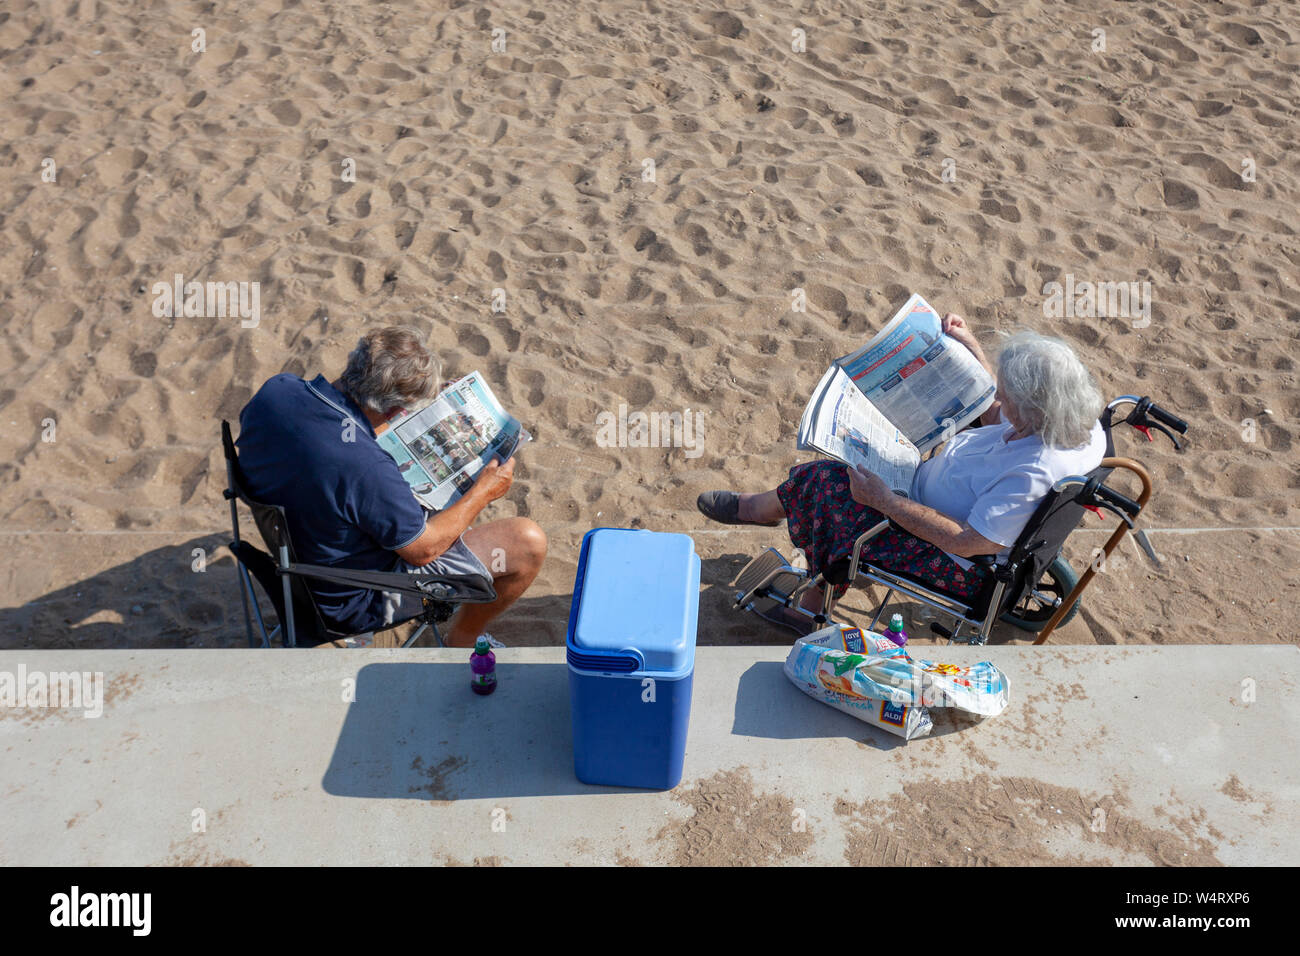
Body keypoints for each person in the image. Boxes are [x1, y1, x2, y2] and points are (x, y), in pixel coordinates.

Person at [697, 317, 1106, 631]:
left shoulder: (1031, 472)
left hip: (951, 560)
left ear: (1037, 411)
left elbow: (967, 542)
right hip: (928, 496)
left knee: (831, 488)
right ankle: (770, 510)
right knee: (843, 473)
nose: (998, 396)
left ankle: (810, 598)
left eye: (1010, 395)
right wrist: (973, 349)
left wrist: (886, 503)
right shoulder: (1077, 428)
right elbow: (997, 413)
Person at [236, 326, 547, 646]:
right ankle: (465, 639)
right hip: (354, 599)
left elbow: (329, 444)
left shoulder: (277, 391)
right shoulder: (365, 467)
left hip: (297, 562)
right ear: (396, 410)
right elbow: (422, 551)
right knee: (528, 542)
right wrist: (483, 493)